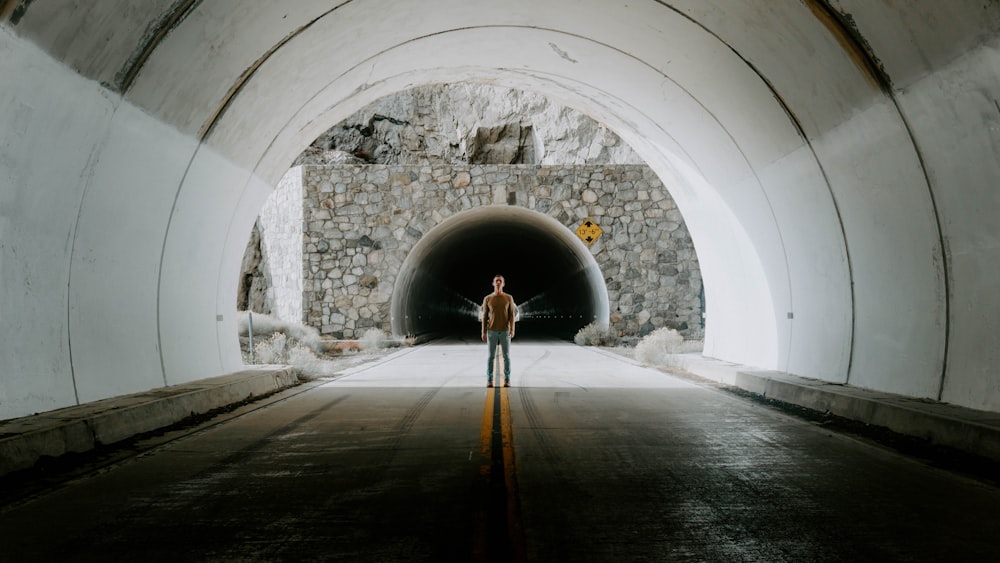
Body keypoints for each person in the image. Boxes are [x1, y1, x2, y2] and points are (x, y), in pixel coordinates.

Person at [481, 274, 516, 388]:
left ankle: (507, 379)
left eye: (500, 281)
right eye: (496, 281)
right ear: (493, 283)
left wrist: (512, 329)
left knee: (506, 356)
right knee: (491, 356)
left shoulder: (509, 298)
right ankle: (489, 380)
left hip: (505, 331)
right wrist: (483, 331)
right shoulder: (488, 298)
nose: (498, 283)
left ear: (503, 284)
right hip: (492, 331)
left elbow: (511, 314)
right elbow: (485, 315)